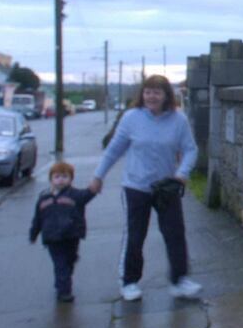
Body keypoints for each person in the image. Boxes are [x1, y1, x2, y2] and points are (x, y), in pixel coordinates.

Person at [89, 74, 201, 302]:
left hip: (166, 187)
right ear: (142, 94)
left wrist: (182, 173)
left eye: (157, 92)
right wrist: (98, 176)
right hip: (136, 186)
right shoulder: (131, 118)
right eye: (148, 91)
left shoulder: (178, 120)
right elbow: (113, 150)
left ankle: (179, 280)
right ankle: (129, 282)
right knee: (135, 235)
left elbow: (190, 149)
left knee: (175, 234)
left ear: (166, 95)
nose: (151, 96)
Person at [29, 161, 97, 303]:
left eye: (65, 176)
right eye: (57, 176)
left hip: (71, 235)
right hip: (52, 237)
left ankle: (63, 278)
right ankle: (64, 291)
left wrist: (94, 188)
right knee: (60, 263)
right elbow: (38, 218)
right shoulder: (44, 198)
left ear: (71, 179)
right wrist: (34, 233)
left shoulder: (75, 195)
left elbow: (87, 195)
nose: (61, 179)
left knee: (69, 261)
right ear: (51, 179)